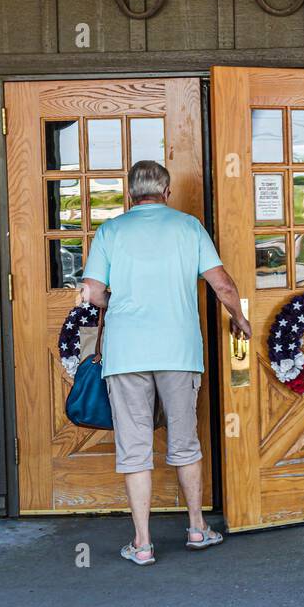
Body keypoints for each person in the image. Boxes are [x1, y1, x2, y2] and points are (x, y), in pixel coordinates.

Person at [81, 159, 250, 566]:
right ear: (167, 192)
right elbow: (222, 283)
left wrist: (118, 299)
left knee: (134, 446)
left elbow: (91, 292)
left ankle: (142, 544)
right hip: (178, 350)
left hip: (126, 354)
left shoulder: (110, 231)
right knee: (185, 440)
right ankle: (196, 528)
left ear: (129, 194)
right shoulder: (188, 227)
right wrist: (239, 318)